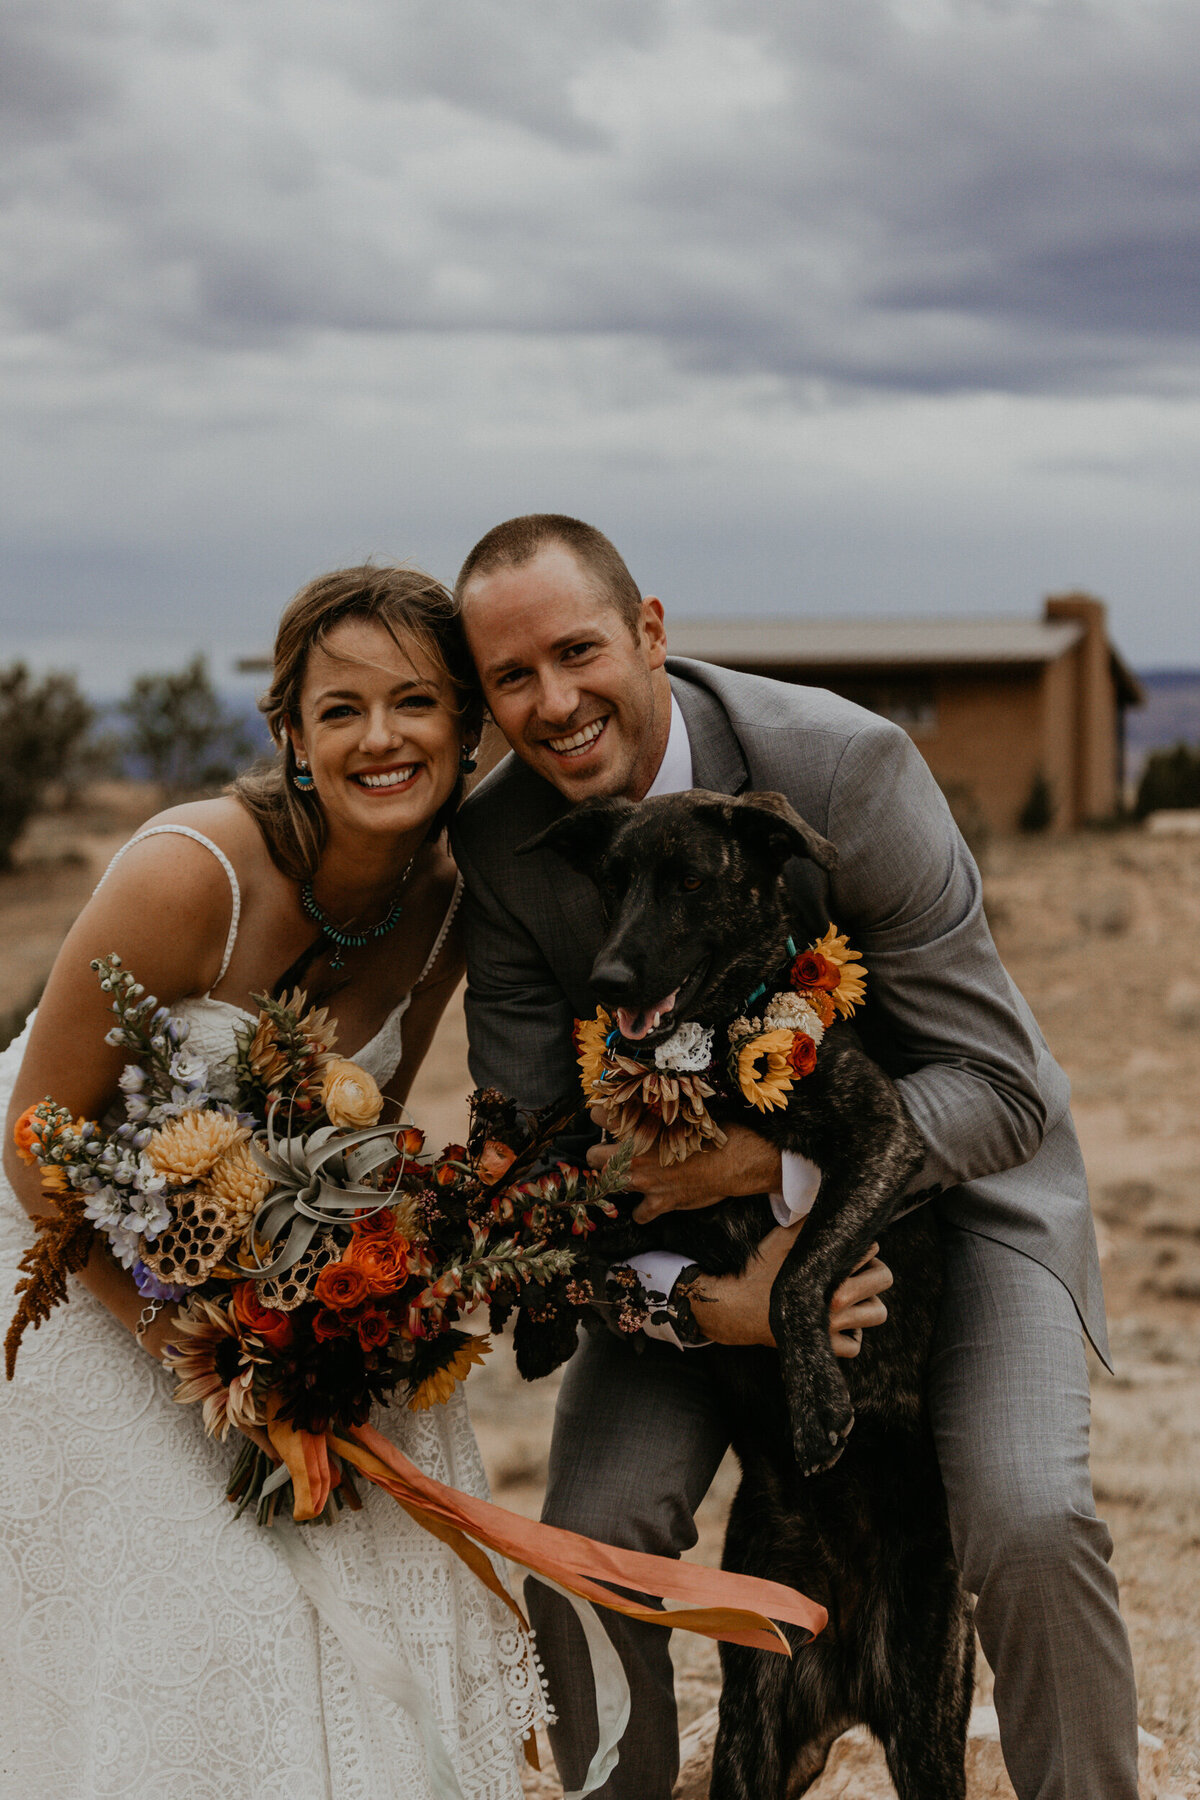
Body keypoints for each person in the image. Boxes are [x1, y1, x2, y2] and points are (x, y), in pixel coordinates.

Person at [449, 514, 1141, 1800]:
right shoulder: (503, 847)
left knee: (1032, 1520)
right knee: (591, 1542)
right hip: (677, 1251)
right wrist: (704, 1300)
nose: (554, 703)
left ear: (652, 632)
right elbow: (528, 1163)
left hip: (956, 1198)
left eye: (579, 650)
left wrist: (767, 1179)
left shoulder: (845, 771)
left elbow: (999, 1087)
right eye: (510, 678)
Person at [0, 565, 545, 1800]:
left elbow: (363, 1141)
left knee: (376, 1535)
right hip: (60, 1251)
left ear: (466, 725)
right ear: (289, 734)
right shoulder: (191, 872)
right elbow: (39, 1131)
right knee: (204, 1587)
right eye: (339, 709)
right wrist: (213, 1364)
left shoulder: (450, 905)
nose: (381, 738)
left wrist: (343, 1311)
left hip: (255, 1280)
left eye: (415, 702)